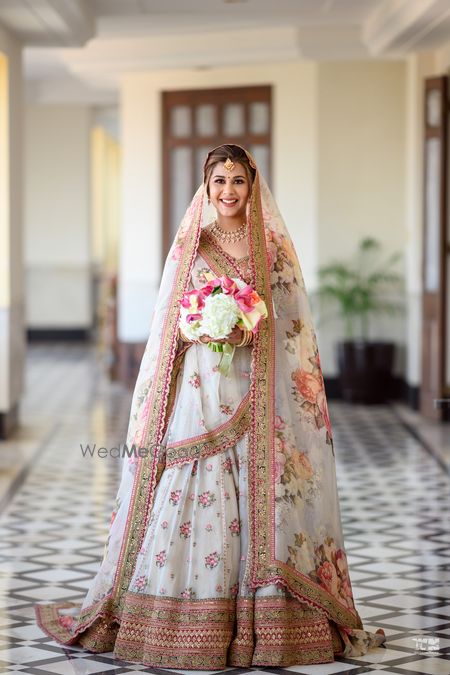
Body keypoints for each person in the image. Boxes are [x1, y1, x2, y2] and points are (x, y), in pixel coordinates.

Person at [35, 144, 386, 669]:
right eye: (219, 181)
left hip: (256, 383)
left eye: (238, 181)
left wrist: (248, 327)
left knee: (261, 488)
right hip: (199, 389)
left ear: (252, 184)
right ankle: (176, 614)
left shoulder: (272, 248)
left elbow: (292, 321)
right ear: (206, 185)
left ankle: (266, 623)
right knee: (194, 480)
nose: (228, 191)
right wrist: (204, 324)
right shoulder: (190, 245)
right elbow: (168, 323)